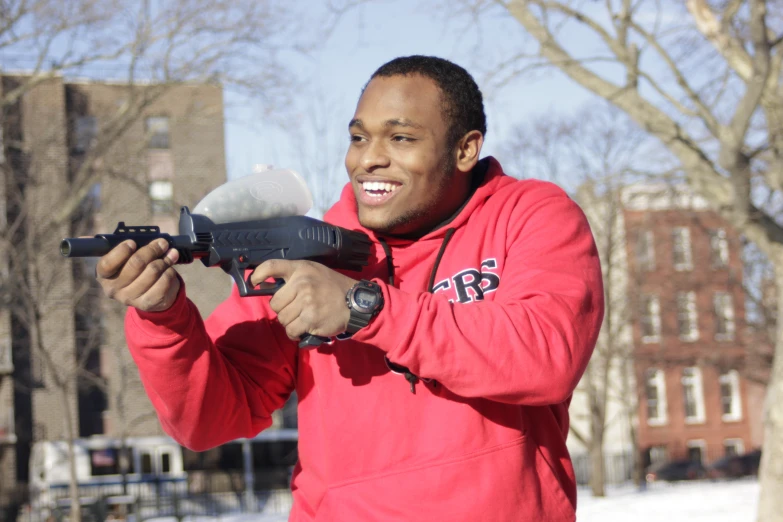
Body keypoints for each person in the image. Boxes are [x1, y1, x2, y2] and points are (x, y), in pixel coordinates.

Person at [97, 55, 604, 521]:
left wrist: (363, 307)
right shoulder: (305, 254)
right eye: (359, 138)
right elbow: (206, 422)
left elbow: (545, 357)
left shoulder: (532, 214)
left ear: (465, 148)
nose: (368, 160)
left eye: (400, 139)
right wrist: (164, 317)